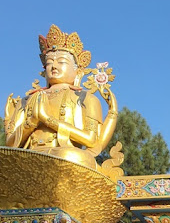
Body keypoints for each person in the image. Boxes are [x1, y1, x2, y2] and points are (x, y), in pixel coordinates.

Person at [4, 24, 118, 169]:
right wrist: (32, 121)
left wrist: (47, 119)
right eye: (49, 62)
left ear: (78, 72)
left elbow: (92, 141)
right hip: (28, 156)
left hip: (63, 155)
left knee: (75, 157)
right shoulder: (27, 100)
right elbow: (10, 143)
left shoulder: (85, 98)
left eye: (62, 62)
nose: (54, 66)